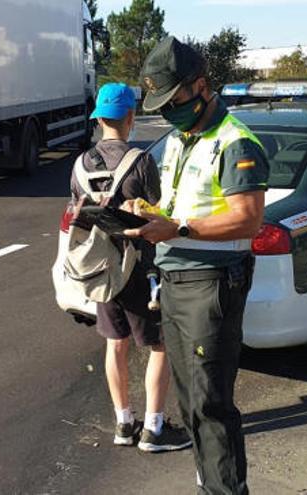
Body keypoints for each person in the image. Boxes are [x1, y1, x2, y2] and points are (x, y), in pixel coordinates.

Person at [125, 37, 270, 494]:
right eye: (160, 103)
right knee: (189, 403)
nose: (167, 111)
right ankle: (210, 484)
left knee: (211, 404)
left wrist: (179, 229)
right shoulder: (182, 139)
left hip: (211, 286)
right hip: (174, 281)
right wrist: (148, 213)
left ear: (201, 86)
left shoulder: (235, 141)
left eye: (173, 100)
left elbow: (248, 219)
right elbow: (178, 206)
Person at [70, 83, 191, 453]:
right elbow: (159, 210)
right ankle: (154, 429)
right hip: (140, 268)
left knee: (115, 342)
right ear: (130, 117)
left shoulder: (79, 164)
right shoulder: (141, 162)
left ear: (99, 118)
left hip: (103, 269)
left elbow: (78, 213)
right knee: (159, 346)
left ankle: (124, 423)